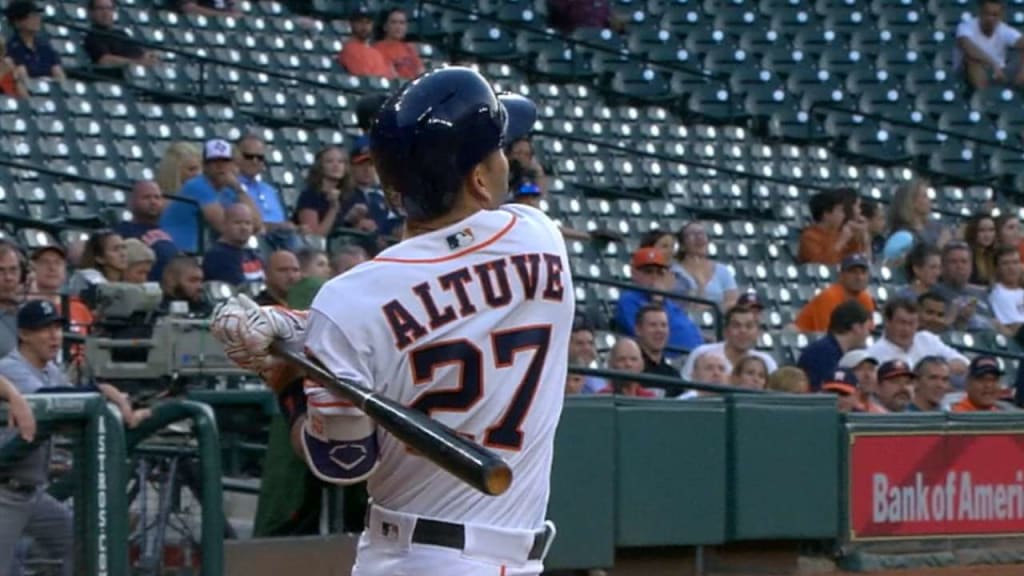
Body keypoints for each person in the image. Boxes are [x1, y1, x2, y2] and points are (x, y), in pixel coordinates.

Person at [212, 67, 566, 575]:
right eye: (500, 150)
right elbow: (450, 293)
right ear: (480, 179)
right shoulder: (540, 237)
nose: (508, 158)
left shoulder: (349, 301)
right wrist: (301, 334)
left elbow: (343, 461)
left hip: (408, 556)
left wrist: (290, 373)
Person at [160, 139, 264, 253]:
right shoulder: (197, 185)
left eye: (225, 161)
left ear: (232, 164)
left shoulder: (228, 189)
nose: (220, 166)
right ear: (204, 166)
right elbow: (226, 228)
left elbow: (257, 225)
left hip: (200, 252)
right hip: (180, 253)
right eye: (214, 161)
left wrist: (238, 189)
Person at [615, 247, 703, 356]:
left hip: (695, 357)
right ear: (634, 273)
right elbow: (646, 339)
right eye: (648, 272)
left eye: (659, 272)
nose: (654, 277)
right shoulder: (629, 300)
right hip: (668, 360)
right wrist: (657, 300)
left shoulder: (669, 302)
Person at [864, 298, 969, 376]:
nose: (907, 329)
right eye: (902, 323)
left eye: (912, 323)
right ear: (887, 322)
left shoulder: (927, 339)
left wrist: (937, 371)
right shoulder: (873, 355)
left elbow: (963, 363)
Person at [680, 306, 777, 380]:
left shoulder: (767, 362)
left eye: (749, 326)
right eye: (736, 325)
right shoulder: (702, 353)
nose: (743, 331)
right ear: (725, 331)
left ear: (757, 332)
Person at [797, 299, 872, 390]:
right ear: (857, 328)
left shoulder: (831, 349)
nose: (868, 334)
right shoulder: (822, 353)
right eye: (867, 329)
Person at [115, 180, 181, 282]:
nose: (153, 202)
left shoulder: (168, 233)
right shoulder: (122, 231)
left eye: (157, 197)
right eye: (146, 197)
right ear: (132, 202)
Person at [794, 253, 875, 333]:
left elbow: (869, 331)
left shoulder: (866, 298)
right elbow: (825, 333)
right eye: (853, 272)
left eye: (863, 272)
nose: (859, 277)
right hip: (807, 339)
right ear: (841, 275)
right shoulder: (829, 296)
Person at [955, 0, 1024, 89]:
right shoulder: (966, 26)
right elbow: (968, 47)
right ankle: (984, 97)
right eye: (987, 14)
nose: (990, 18)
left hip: (1000, 72)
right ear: (980, 13)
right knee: (971, 60)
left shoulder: (1003, 29)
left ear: (1001, 16)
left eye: (995, 15)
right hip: (967, 74)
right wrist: (993, 63)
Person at [672, 221, 738, 310]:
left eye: (702, 233)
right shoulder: (675, 272)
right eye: (692, 234)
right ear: (682, 245)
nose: (699, 237)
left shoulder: (723, 270)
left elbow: (732, 302)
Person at [798, 189, 867, 265]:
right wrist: (841, 242)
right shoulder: (809, 237)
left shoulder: (840, 233)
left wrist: (863, 238)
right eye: (840, 211)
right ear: (826, 214)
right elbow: (821, 266)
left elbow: (858, 262)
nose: (843, 215)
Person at [202, 204, 265, 287]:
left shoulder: (252, 253)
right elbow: (239, 292)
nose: (244, 228)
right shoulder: (218, 256)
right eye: (237, 222)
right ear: (224, 225)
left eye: (248, 223)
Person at [83, 0, 157, 67]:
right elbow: (105, 60)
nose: (106, 13)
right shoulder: (92, 37)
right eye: (100, 8)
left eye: (109, 9)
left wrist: (148, 57)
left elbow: (139, 53)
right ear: (91, 13)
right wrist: (137, 62)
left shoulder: (121, 34)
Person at [4, 0, 64, 80]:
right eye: (31, 17)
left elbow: (58, 73)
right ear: (17, 22)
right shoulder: (10, 49)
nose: (36, 19)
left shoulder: (45, 47)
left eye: (37, 15)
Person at [338, 5, 395, 78]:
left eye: (368, 22)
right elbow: (364, 79)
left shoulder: (377, 53)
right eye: (360, 22)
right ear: (351, 24)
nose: (364, 26)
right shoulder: (349, 49)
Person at [951, 355, 1015, 411]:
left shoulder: (1003, 412)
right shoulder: (957, 415)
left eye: (994, 380)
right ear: (968, 383)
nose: (988, 385)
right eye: (982, 380)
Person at [374, 7, 424, 79]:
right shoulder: (378, 49)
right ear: (385, 27)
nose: (398, 27)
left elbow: (421, 73)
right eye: (394, 22)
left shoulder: (409, 48)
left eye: (402, 23)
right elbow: (392, 76)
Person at [964, 213, 997, 285]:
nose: (987, 235)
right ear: (973, 232)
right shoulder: (966, 254)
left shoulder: (994, 255)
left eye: (991, 230)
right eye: (981, 230)